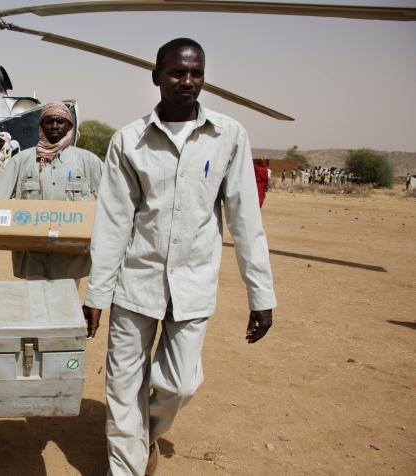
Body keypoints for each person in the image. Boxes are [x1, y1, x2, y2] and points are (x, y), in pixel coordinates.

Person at [81, 38, 276, 476]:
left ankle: (143, 434)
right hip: (136, 284)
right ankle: (127, 466)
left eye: (196, 73)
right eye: (177, 72)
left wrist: (261, 295)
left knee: (179, 384)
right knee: (123, 388)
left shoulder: (229, 136)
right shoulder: (129, 141)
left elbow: (246, 220)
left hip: (192, 286)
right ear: (157, 78)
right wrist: (97, 295)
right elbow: (112, 224)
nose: (188, 81)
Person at [0, 102, 102, 283]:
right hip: (32, 256)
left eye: (60, 121)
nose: (54, 126)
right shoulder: (21, 160)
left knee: (65, 306)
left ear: (70, 127)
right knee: (37, 306)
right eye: (49, 121)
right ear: (41, 126)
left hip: (71, 259)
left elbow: (112, 199)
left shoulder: (87, 161)